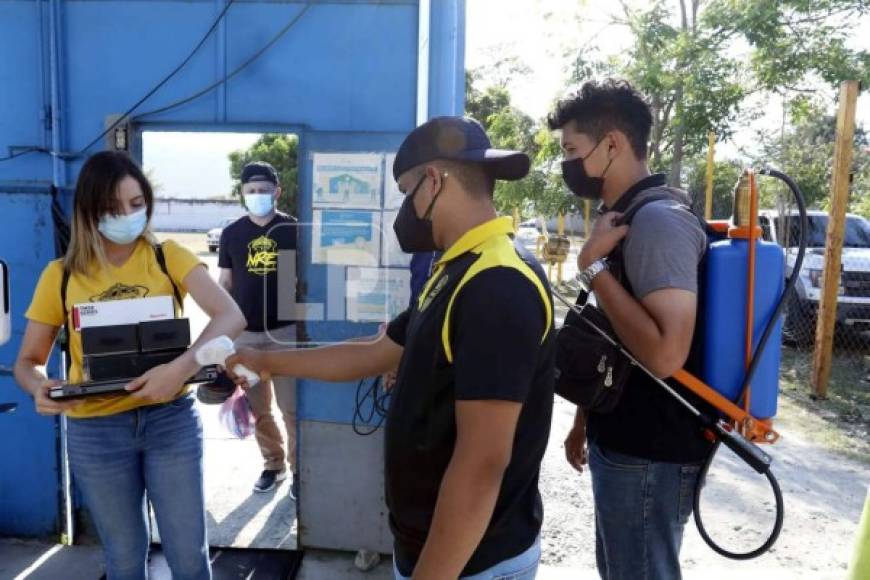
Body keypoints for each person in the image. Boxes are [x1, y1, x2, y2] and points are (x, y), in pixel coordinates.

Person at [226, 116, 555, 580]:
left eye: (406, 191)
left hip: (472, 564)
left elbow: (482, 463)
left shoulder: (497, 284)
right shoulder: (456, 268)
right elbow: (377, 348)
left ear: (435, 181)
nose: (404, 207)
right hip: (430, 549)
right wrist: (265, 359)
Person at [14, 151, 246, 580]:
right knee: (123, 557)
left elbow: (231, 316)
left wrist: (180, 368)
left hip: (170, 420)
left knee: (189, 555)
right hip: (96, 430)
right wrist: (39, 387)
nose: (127, 216)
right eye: (112, 208)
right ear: (89, 211)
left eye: (137, 204)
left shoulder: (168, 256)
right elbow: (27, 363)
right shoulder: (60, 275)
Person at [549, 79, 716, 580]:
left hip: (652, 450)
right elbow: (611, 334)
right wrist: (584, 420)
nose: (567, 165)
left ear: (613, 144)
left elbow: (665, 355)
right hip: (622, 436)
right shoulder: (622, 218)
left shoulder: (660, 222)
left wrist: (591, 267)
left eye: (572, 150)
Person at [214, 161, 300, 496]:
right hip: (246, 336)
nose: (258, 195)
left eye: (264, 190)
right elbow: (223, 283)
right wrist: (224, 336)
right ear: (242, 194)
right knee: (260, 409)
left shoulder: (292, 228)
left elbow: (304, 280)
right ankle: (273, 465)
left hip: (286, 333)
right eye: (251, 191)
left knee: (292, 409)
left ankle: (298, 472)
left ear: (277, 192)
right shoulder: (232, 234)